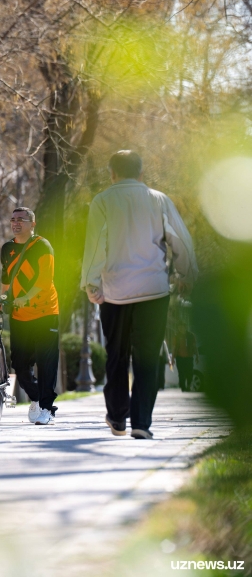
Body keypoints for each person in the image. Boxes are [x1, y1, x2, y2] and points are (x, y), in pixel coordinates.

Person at [81, 151, 198, 439]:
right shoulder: (159, 200)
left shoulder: (103, 201)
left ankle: (118, 418)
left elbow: (97, 245)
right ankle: (141, 423)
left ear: (112, 173)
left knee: (116, 356)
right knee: (147, 357)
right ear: (141, 173)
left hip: (116, 293)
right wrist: (187, 275)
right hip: (153, 291)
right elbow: (180, 238)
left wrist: (91, 282)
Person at [1, 207, 59, 425]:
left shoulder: (42, 246)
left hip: (45, 312)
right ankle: (36, 396)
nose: (16, 223)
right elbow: (6, 278)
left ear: (32, 224)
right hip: (19, 315)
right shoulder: (7, 248)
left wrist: (26, 297)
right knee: (20, 364)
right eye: (13, 219)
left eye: (21, 220)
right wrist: (3, 298)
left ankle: (47, 408)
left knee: (46, 362)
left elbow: (44, 281)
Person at [172, 324, 199, 392]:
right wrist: (172, 358)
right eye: (179, 327)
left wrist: (197, 356)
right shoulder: (177, 336)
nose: (181, 328)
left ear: (185, 327)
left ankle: (189, 385)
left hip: (189, 357)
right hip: (179, 357)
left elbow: (194, 346)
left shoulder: (191, 335)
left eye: (182, 327)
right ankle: (183, 387)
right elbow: (174, 347)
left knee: (189, 372)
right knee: (181, 373)